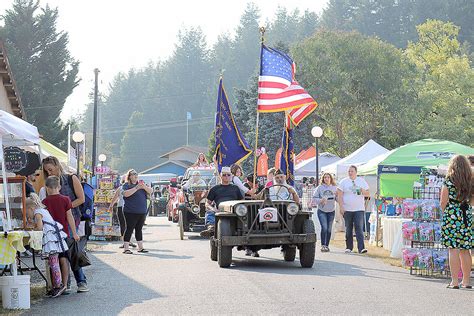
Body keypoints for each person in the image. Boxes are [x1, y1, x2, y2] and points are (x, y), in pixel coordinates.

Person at [41, 156, 88, 292]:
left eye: (50, 169)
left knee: (70, 251)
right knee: (60, 253)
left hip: (71, 218)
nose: (49, 173)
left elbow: (81, 199)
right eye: (46, 171)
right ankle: (64, 284)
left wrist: (65, 207)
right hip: (55, 222)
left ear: (57, 165)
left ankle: (81, 281)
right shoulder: (48, 183)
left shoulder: (70, 178)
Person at [26, 194, 69, 298]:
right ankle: (56, 285)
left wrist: (32, 229)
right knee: (53, 262)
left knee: (54, 263)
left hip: (51, 241)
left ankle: (58, 286)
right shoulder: (42, 210)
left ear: (31, 208)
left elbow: (40, 228)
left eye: (27, 212)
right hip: (54, 238)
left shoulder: (37, 213)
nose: (27, 215)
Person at [440, 155, 472, 289]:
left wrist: (446, 213)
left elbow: (443, 201)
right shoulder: (470, 180)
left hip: (452, 215)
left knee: (453, 249)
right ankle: (466, 281)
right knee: (465, 250)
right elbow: (472, 201)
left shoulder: (448, 180)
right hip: (466, 215)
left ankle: (454, 281)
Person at [200, 166, 243, 238]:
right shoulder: (214, 189)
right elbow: (207, 203)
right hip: (219, 211)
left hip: (234, 211)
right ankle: (211, 228)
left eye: (228, 175)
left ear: (231, 176)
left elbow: (242, 201)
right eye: (224, 175)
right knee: (209, 212)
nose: (226, 176)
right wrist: (213, 209)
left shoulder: (235, 188)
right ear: (220, 176)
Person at [337, 165, 369, 254]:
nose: (350, 173)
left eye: (352, 171)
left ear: (356, 172)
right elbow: (339, 195)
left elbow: (368, 194)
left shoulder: (361, 181)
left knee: (359, 227)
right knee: (348, 228)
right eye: (349, 171)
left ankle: (361, 248)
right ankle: (349, 247)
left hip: (359, 208)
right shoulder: (344, 182)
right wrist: (341, 207)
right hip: (347, 209)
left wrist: (362, 190)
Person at [122, 169, 153, 254]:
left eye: (136, 174)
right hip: (130, 211)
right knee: (129, 229)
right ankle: (126, 248)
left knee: (139, 229)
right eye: (133, 174)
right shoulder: (126, 185)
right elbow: (125, 194)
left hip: (142, 211)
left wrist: (144, 187)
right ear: (129, 176)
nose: (135, 175)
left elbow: (150, 191)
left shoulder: (142, 184)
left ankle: (141, 248)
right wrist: (136, 188)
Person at [109, 177, 137, 249]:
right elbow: (115, 198)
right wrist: (111, 206)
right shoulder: (122, 188)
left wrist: (111, 206)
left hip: (126, 208)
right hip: (124, 208)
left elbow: (115, 198)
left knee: (126, 225)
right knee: (125, 225)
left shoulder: (129, 188)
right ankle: (126, 242)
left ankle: (127, 241)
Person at [312, 173, 337, 252]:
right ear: (323, 179)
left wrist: (338, 196)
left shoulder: (334, 188)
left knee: (329, 229)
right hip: (322, 210)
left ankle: (327, 245)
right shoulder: (319, 188)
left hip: (331, 211)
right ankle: (323, 245)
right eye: (325, 177)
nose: (326, 179)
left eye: (328, 177)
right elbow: (314, 197)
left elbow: (337, 198)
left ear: (331, 178)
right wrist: (321, 200)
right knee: (324, 227)